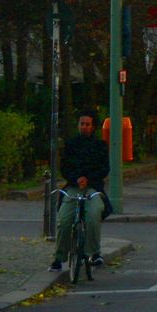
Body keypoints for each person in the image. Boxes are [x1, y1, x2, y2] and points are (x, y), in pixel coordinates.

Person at [50, 110, 109, 271]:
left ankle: (94, 253)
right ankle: (59, 257)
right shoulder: (71, 144)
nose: (84, 127)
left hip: (93, 187)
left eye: (87, 124)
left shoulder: (100, 146)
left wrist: (88, 179)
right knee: (64, 220)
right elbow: (65, 167)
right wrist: (76, 178)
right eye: (82, 124)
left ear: (93, 126)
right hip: (74, 186)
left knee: (93, 215)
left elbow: (104, 168)